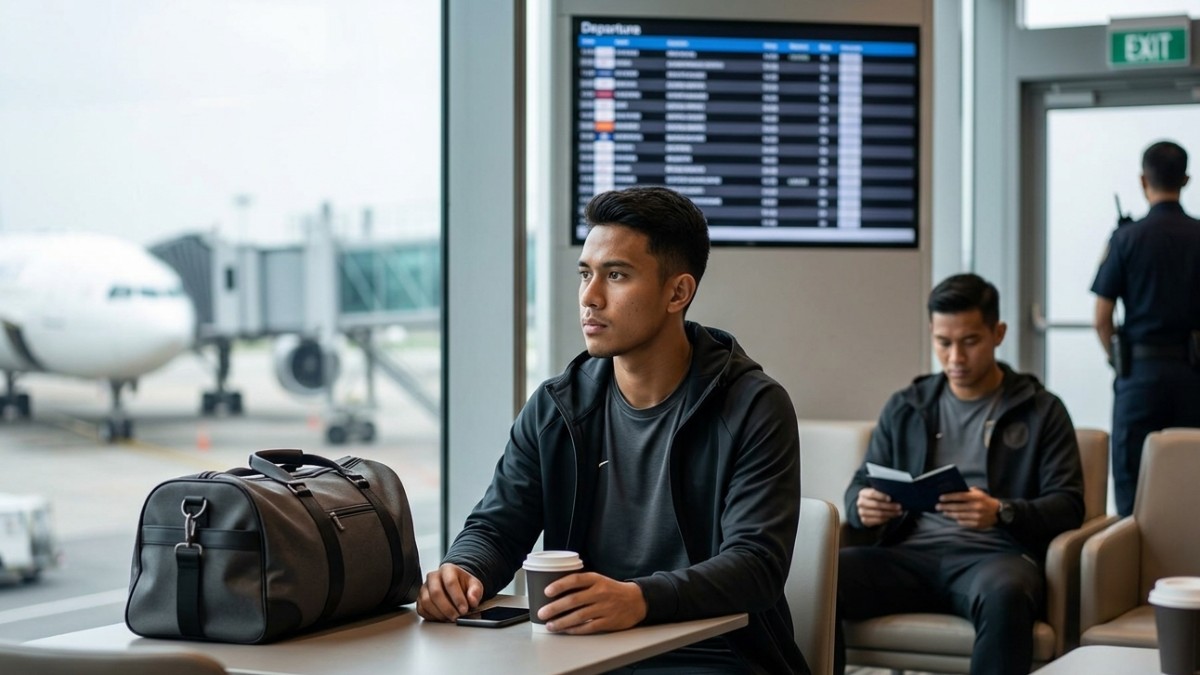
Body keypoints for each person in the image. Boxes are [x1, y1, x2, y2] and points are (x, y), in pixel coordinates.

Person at [417, 186, 809, 674]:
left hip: (716, 656)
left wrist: (639, 600)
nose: (589, 297)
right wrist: (463, 570)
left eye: (616, 275)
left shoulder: (753, 405)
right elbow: (498, 526)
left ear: (678, 292)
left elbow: (756, 566)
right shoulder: (557, 405)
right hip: (580, 651)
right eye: (586, 274)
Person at [836, 273, 1084, 675]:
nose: (955, 358)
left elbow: (1069, 505)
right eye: (943, 343)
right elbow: (860, 484)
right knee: (819, 578)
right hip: (909, 555)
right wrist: (863, 506)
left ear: (998, 333)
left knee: (1006, 594)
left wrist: (1002, 512)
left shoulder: (1041, 410)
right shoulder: (907, 405)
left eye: (970, 342)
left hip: (995, 559)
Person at [1091, 140, 1200, 517]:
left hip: (1138, 374)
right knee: (1190, 477)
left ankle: (1133, 570)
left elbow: (1102, 317)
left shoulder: (1126, 238)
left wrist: (1116, 360)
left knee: (1131, 479)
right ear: (1186, 179)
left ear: (1143, 180)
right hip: (1192, 373)